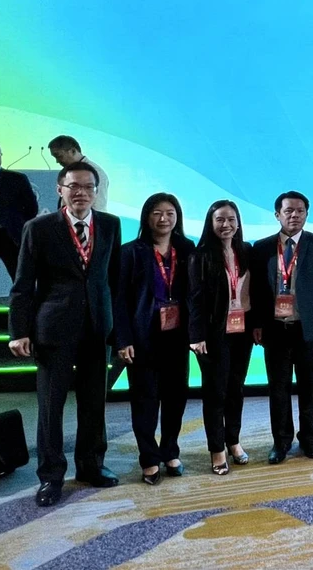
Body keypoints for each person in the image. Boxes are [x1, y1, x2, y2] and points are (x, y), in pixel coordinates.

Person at [8, 161, 121, 507]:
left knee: (93, 405)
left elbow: (112, 280)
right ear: (60, 190)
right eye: (74, 186)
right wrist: (19, 330)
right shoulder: (39, 228)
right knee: (51, 407)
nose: (81, 193)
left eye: (88, 187)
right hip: (53, 331)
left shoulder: (111, 225)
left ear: (95, 191)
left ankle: (91, 467)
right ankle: (51, 477)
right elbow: (23, 284)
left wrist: (117, 330)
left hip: (96, 329)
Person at [115, 194, 194, 484]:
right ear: (146, 216)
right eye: (157, 213)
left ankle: (170, 451)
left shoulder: (186, 249)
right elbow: (120, 299)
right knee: (145, 401)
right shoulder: (130, 252)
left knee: (176, 398)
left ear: (178, 217)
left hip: (177, 338)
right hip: (142, 338)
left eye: (170, 213)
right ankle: (149, 458)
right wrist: (123, 340)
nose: (164, 219)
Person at [250, 191, 313, 464]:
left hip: (308, 328)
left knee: (310, 386)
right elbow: (255, 291)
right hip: (275, 329)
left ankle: (309, 437)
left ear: (306, 214)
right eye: (288, 211)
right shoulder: (261, 247)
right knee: (278, 388)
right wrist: (256, 324)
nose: (294, 216)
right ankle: (281, 441)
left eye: (299, 211)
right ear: (277, 214)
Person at [188, 200, 252, 474]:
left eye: (231, 219)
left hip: (242, 332)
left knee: (236, 389)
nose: (226, 225)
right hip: (214, 334)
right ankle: (217, 449)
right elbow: (194, 299)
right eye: (220, 220)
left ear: (238, 223)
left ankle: (233, 441)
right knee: (215, 393)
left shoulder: (246, 251)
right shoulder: (200, 255)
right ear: (210, 223)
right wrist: (196, 334)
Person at [0, 141, 39, 285]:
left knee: (20, 277)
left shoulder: (17, 179)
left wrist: (17, 225)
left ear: (1, 155)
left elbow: (31, 209)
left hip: (9, 236)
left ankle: (24, 307)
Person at [48, 135, 109, 212]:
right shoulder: (68, 172)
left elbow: (98, 208)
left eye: (59, 156)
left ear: (73, 151)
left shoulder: (95, 172)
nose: (57, 161)